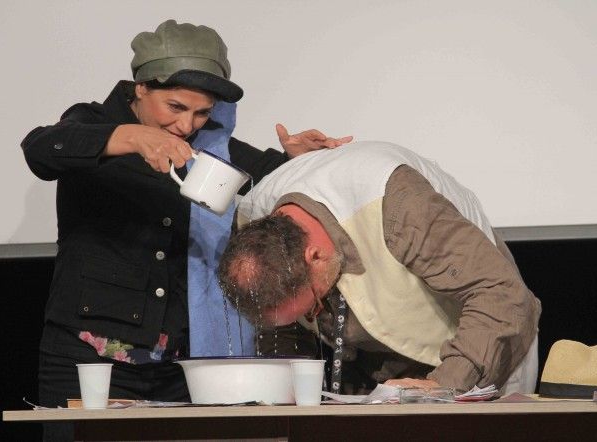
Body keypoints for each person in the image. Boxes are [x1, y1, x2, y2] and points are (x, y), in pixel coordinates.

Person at [21, 19, 351, 441]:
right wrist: (132, 138)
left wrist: (296, 161)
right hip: (87, 361)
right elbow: (41, 148)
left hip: (181, 369)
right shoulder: (93, 123)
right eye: (175, 107)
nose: (187, 125)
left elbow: (268, 178)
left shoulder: (211, 147)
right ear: (142, 87)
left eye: (202, 112)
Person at [218, 140, 542, 396]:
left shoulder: (397, 204)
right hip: (381, 369)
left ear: (314, 256)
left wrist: (444, 384)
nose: (316, 316)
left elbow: (501, 294)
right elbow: (283, 327)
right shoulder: (252, 235)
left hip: (484, 341)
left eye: (314, 305)